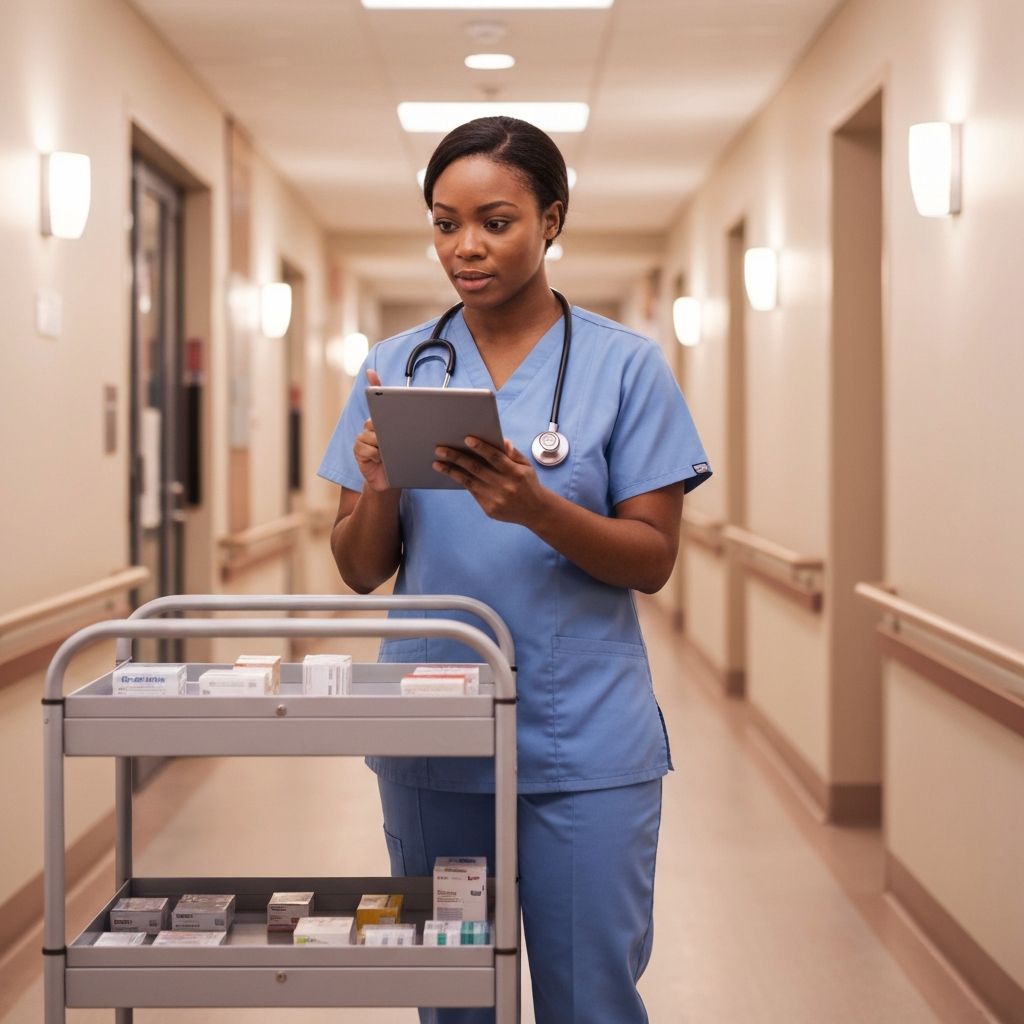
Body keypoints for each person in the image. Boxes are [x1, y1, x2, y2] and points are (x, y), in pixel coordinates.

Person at [319, 116, 712, 1024]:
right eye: (444, 222)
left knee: (590, 996)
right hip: (433, 728)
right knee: (452, 993)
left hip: (586, 743)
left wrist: (535, 507)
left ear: (552, 220)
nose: (467, 247)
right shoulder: (395, 366)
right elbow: (357, 569)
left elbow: (652, 560)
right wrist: (377, 485)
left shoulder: (626, 368)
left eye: (496, 221)